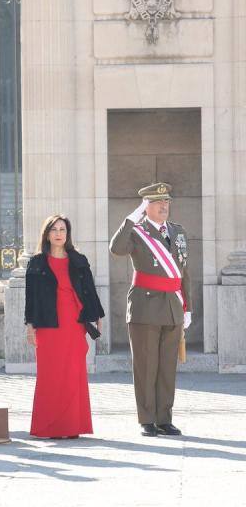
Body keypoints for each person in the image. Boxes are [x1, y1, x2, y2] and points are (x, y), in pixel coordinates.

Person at [110, 182, 192, 437]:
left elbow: (183, 272)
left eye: (166, 202)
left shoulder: (178, 232)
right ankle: (147, 419)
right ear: (146, 207)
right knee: (146, 366)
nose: (164, 206)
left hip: (172, 306)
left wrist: (187, 306)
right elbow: (116, 249)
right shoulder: (136, 231)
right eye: (158, 203)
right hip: (145, 307)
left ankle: (164, 418)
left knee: (168, 367)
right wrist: (132, 218)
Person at [25, 214, 103, 439]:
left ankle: (72, 426)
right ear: (47, 234)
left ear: (67, 234)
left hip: (73, 323)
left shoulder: (78, 260)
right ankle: (51, 426)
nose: (59, 234)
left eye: (62, 230)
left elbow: (90, 290)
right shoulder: (37, 262)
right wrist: (30, 325)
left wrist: (97, 315)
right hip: (48, 324)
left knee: (73, 373)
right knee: (50, 374)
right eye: (54, 230)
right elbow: (31, 298)